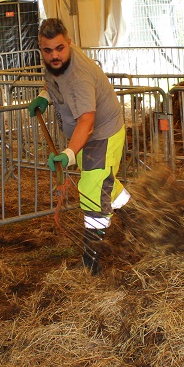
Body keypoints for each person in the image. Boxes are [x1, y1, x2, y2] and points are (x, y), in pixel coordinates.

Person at [27, 18, 130, 274]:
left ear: (69, 43)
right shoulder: (56, 63)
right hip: (84, 135)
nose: (54, 55)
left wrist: (68, 154)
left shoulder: (79, 77)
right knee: (102, 181)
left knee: (92, 189)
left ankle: (91, 262)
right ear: (41, 48)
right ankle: (137, 216)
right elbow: (53, 81)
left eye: (60, 48)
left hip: (102, 133)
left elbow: (87, 121)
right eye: (48, 50)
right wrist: (44, 96)